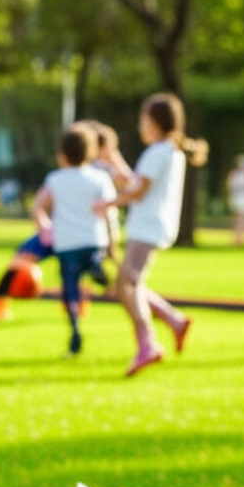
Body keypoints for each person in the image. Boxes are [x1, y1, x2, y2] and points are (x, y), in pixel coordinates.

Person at [95, 92, 208, 377]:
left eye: (143, 120)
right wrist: (114, 159)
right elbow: (136, 182)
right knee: (128, 283)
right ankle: (174, 320)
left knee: (127, 284)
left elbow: (138, 190)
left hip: (148, 227)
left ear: (156, 122)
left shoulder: (158, 151)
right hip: (152, 226)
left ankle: (148, 343)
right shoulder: (167, 151)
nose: (140, 126)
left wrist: (109, 203)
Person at [0, 120, 120, 324]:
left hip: (76, 237)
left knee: (89, 273)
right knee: (20, 262)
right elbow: (38, 207)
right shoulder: (62, 178)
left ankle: (103, 299)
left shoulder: (91, 177)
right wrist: (44, 226)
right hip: (59, 234)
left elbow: (39, 206)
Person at [31, 125, 119, 356]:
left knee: (70, 288)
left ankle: (75, 327)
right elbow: (110, 214)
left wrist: (44, 226)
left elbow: (38, 207)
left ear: (62, 153)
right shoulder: (99, 178)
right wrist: (113, 246)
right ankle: (97, 268)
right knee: (92, 265)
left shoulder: (55, 179)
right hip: (93, 240)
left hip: (66, 243)